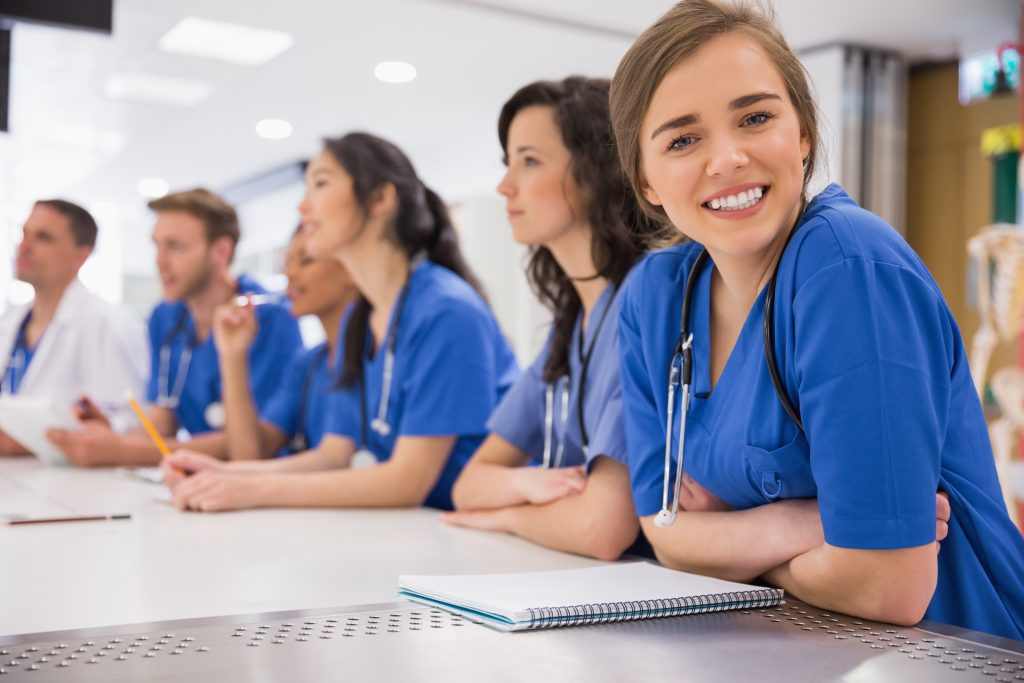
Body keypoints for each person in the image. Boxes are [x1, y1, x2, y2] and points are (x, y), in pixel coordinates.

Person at [609, 0, 1024, 638]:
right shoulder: (653, 300)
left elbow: (890, 586)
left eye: (755, 117)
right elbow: (665, 533)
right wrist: (802, 525)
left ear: (802, 134)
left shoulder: (845, 266)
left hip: (952, 651)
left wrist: (741, 549)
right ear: (646, 181)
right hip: (791, 646)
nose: (728, 159)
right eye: (684, 139)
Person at [161, 132, 519, 512]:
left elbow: (407, 481)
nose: (303, 206)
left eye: (320, 184)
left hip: (468, 544)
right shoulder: (361, 322)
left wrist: (251, 492)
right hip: (411, 532)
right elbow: (332, 455)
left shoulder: (447, 312)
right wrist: (225, 474)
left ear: (380, 199)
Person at [445, 77, 654, 560]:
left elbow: (601, 527)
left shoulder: (643, 303)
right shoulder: (571, 324)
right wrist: (526, 481)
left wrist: (507, 515)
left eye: (530, 161)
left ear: (595, 171)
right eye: (508, 163)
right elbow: (468, 485)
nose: (504, 185)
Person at [48, 189, 303, 466]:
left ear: (221, 251)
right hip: (196, 476)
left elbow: (251, 442)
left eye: (175, 246)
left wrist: (124, 451)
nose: (159, 261)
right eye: (157, 245)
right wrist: (110, 435)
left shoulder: (270, 318)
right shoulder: (166, 317)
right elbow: (163, 418)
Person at [0, 199, 147, 455]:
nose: (23, 247)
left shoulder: (111, 324)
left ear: (82, 255)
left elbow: (130, 422)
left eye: (43, 238)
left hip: (73, 486)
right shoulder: (11, 322)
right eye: (24, 234)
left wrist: (31, 438)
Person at [209, 227, 357, 459]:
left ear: (352, 268)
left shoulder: (378, 358)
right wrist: (233, 356)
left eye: (306, 261)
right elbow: (249, 456)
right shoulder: (308, 365)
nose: (290, 273)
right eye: (288, 263)